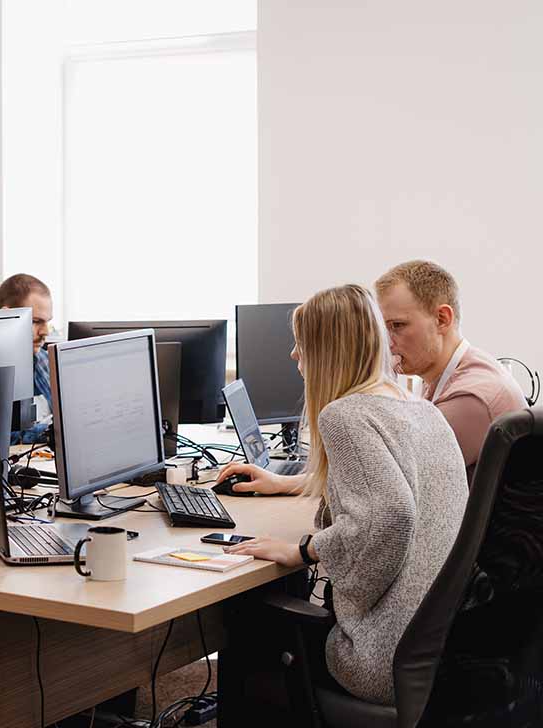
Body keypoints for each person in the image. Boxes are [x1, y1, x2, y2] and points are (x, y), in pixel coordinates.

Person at [225, 284, 468, 705]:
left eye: (300, 344)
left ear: (325, 350)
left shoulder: (344, 415)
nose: (293, 355)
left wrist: (304, 551)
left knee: (245, 619)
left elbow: (390, 517)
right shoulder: (421, 409)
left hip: (384, 658)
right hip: (447, 650)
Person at [375, 260, 525, 480]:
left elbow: (389, 481)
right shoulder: (442, 377)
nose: (387, 343)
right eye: (382, 328)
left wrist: (372, 380)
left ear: (442, 319)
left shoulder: (471, 398)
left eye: (397, 326)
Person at [0, 273, 54, 443]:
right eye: (36, 321)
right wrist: (53, 433)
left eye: (47, 322)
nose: (45, 332)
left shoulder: (44, 360)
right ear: (5, 317)